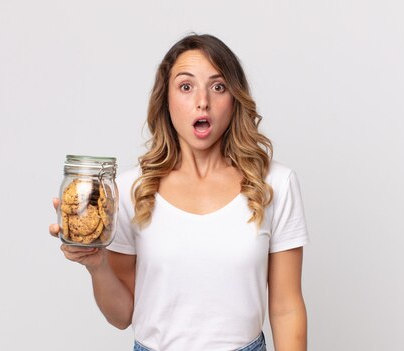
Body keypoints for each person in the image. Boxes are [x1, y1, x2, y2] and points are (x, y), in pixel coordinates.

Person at [49, 34, 309, 351]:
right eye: (186, 87)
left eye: (218, 86)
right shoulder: (130, 191)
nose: (203, 101)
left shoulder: (276, 184)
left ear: (234, 99)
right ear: (166, 99)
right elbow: (121, 316)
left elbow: (286, 307)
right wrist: (96, 264)